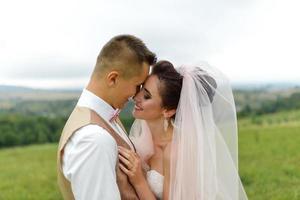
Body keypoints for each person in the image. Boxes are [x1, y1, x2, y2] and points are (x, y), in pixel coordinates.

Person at [118, 60, 248, 199]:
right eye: (141, 89)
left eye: (147, 96)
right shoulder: (144, 135)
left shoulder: (175, 150)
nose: (136, 97)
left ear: (168, 111)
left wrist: (139, 181)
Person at [57, 34, 156, 200]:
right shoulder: (94, 139)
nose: (136, 95)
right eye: (136, 85)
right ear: (113, 78)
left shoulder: (106, 117)